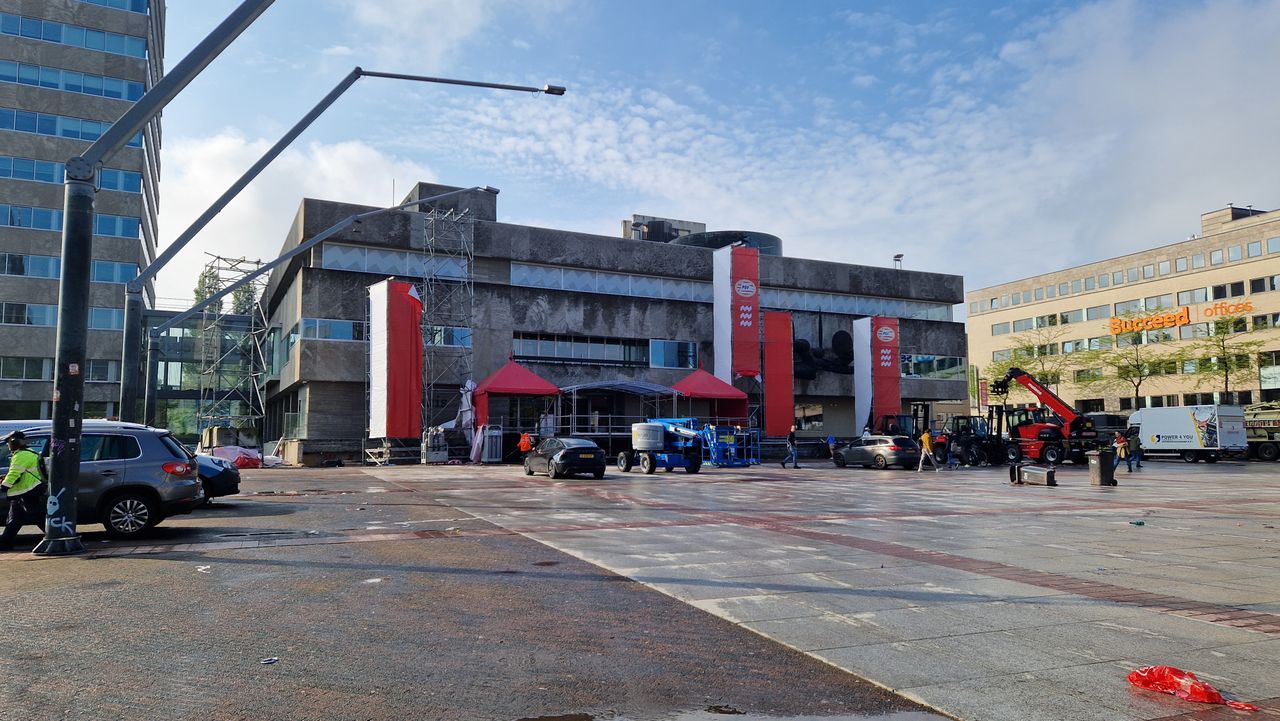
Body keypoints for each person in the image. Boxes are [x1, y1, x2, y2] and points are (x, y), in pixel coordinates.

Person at [1, 431, 46, 551]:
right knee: (14, 519)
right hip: (23, 492)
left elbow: (14, 473)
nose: (8, 445)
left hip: (27, 492)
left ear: (14, 442)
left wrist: (4, 486)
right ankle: (5, 543)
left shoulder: (21, 455)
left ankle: (55, 535)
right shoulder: (28, 452)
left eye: (8, 443)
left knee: (38, 516)